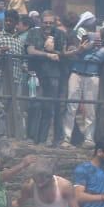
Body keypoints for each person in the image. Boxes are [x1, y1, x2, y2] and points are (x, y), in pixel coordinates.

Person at [61, 21, 104, 148]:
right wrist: (81, 49)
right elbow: (70, 54)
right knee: (71, 106)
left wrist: (97, 48)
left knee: (90, 109)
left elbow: (100, 58)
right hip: (76, 74)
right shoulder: (78, 45)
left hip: (92, 76)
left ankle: (89, 139)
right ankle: (66, 138)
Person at [25, 11, 66, 145]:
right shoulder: (33, 33)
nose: (48, 25)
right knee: (34, 105)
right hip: (35, 74)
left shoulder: (59, 34)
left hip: (54, 75)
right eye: (45, 22)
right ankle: (31, 137)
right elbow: (30, 50)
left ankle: (42, 139)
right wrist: (47, 54)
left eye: (50, 23)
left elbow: (64, 54)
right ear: (41, 22)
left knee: (48, 107)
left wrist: (53, 51)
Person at [0, 9, 26, 139]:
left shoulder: (19, 40)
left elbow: (23, 58)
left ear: (16, 23)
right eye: (6, 20)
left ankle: (18, 134)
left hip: (16, 76)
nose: (8, 23)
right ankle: (2, 134)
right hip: (1, 76)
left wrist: (25, 67)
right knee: (1, 106)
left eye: (11, 21)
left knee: (16, 106)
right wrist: (0, 51)